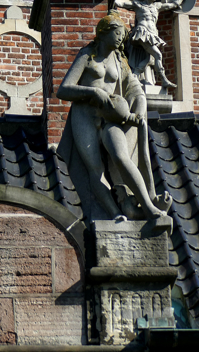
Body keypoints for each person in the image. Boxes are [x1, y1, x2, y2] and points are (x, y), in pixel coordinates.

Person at [57, 13, 171, 222]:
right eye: (117, 34)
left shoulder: (120, 61)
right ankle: (113, 212)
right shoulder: (86, 56)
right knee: (95, 168)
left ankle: (147, 205)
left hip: (111, 117)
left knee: (121, 157)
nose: (120, 39)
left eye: (122, 35)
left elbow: (135, 89)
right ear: (104, 33)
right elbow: (63, 90)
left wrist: (139, 108)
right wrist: (92, 93)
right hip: (85, 115)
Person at [118, 0, 188, 88]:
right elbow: (122, 4)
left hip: (153, 34)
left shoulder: (157, 6)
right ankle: (164, 80)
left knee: (148, 59)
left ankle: (134, 76)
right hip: (142, 32)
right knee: (157, 55)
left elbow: (173, 5)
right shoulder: (138, 5)